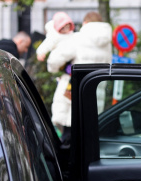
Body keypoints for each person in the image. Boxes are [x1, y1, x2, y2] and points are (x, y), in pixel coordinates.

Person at [46, 11, 112, 144]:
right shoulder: (107, 45)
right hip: (95, 94)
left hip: (72, 95)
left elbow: (53, 61)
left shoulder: (78, 38)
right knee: (88, 138)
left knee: (69, 137)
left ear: (85, 23)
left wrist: (54, 69)